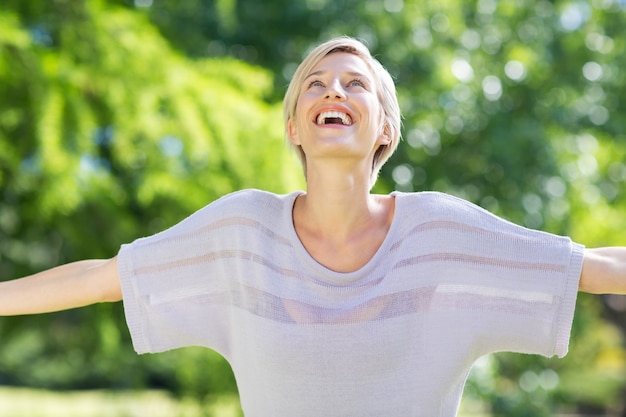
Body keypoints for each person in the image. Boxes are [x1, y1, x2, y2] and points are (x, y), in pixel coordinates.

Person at [1, 36, 625, 416]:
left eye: (356, 83)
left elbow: (592, 268)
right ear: (296, 126)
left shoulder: (438, 235)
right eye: (315, 85)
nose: (334, 90)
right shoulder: (242, 233)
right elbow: (110, 276)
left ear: (384, 127)